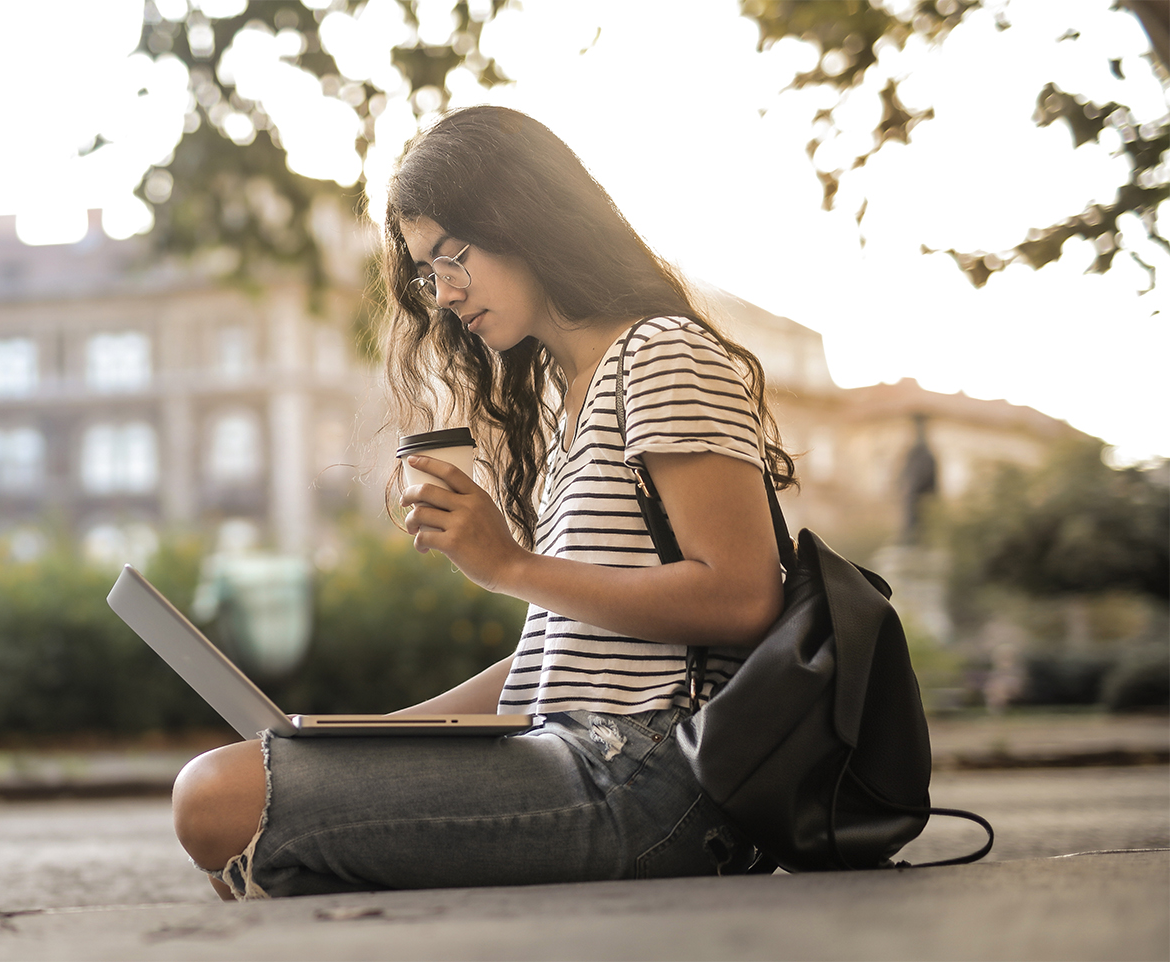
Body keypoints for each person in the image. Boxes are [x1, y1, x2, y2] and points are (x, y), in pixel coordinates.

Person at [170, 105, 800, 900]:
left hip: (656, 778)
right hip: (583, 753)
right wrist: (361, 741)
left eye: (450, 256)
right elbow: (562, 650)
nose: (443, 293)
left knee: (217, 799)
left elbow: (743, 596)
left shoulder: (663, 351)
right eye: (427, 273)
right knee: (248, 818)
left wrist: (509, 564)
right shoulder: (572, 398)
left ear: (525, 216)